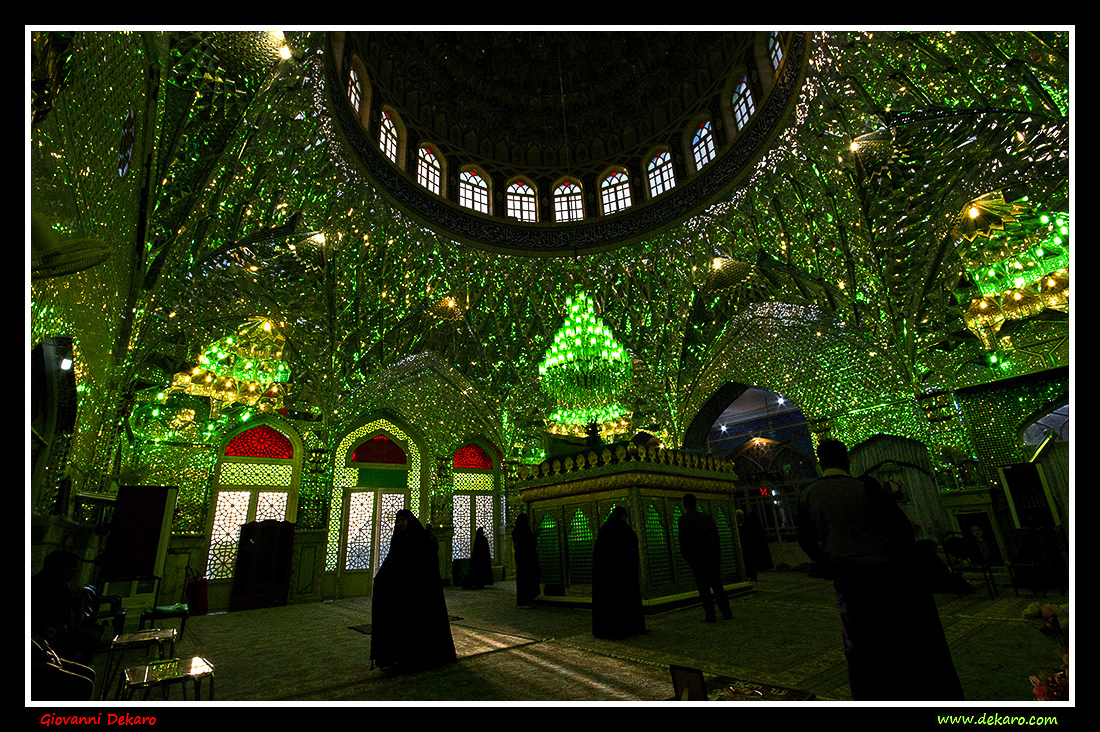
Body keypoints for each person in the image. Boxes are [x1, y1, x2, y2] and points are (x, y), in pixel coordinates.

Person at [797, 439, 963, 701]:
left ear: (820, 462)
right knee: (894, 639)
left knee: (859, 643)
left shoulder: (808, 495)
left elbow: (805, 540)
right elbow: (899, 531)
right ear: (847, 461)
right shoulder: (863, 487)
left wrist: (829, 564)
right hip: (883, 576)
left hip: (847, 581)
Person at [370, 509, 457, 672]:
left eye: (403, 520)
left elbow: (426, 566)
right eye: (398, 521)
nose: (400, 523)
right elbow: (392, 560)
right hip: (402, 592)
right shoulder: (398, 538)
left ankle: (421, 657)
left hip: (419, 593)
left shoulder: (421, 539)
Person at [31, 550, 101, 665]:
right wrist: (47, 625)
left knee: (94, 631)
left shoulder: (60, 583)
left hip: (56, 624)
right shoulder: (43, 584)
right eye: (74, 567)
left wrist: (74, 600)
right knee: (90, 637)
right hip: (50, 627)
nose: (77, 571)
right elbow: (46, 610)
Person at [591, 506, 646, 639]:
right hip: (623, 575)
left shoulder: (605, 531)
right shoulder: (624, 531)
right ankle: (627, 627)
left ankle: (614, 628)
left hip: (609, 576)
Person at [677, 494, 732, 623]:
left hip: (697, 560)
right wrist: (717, 555)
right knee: (718, 586)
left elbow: (683, 541)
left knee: (703, 588)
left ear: (685, 504)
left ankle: (710, 615)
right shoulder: (706, 517)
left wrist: (688, 558)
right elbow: (716, 538)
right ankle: (726, 612)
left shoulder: (684, 519)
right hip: (712, 558)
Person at [512, 513, 541, 607]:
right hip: (527, 559)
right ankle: (524, 601)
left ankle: (523, 600)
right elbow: (528, 543)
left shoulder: (516, 530)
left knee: (522, 580)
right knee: (527, 580)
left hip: (520, 559)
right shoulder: (524, 530)